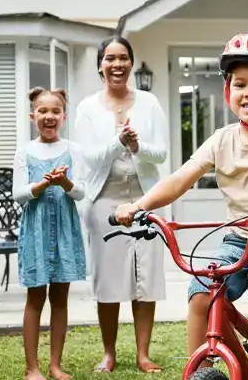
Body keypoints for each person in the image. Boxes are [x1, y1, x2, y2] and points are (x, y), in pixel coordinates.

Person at [113, 31, 248, 380]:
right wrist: (139, 205)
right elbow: (180, 179)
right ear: (229, 91)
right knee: (202, 294)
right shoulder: (221, 140)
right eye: (241, 84)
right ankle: (206, 365)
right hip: (238, 240)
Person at [71, 35, 170, 374]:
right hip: (105, 202)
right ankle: (109, 353)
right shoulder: (87, 108)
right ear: (101, 64)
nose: (117, 64)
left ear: (131, 62)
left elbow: (161, 153)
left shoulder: (149, 103)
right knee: (108, 280)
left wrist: (138, 145)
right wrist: (118, 143)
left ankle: (143, 354)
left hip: (145, 199)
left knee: (145, 278)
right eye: (110, 58)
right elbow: (88, 158)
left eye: (123, 58)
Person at [11, 87, 87, 380]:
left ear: (63, 116)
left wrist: (65, 182)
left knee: (60, 299)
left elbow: (81, 193)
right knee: (35, 298)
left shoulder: (73, 150)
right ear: (33, 116)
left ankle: (55, 365)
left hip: (65, 232)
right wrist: (41, 186)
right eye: (42, 111)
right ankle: (32, 368)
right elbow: (18, 195)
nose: (49, 116)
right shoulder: (25, 151)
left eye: (55, 111)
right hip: (36, 232)